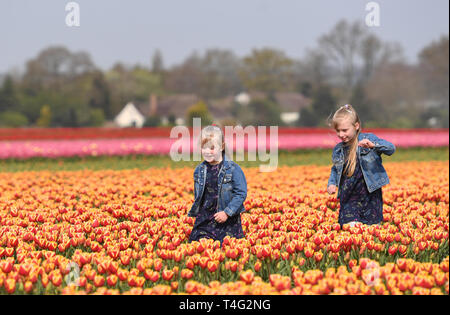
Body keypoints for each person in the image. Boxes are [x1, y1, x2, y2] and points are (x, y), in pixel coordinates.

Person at [327, 104, 396, 227]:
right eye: (338, 131)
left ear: (356, 126)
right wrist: (332, 183)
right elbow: (335, 169)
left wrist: (373, 145)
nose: (341, 134)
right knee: (351, 226)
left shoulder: (368, 139)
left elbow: (391, 149)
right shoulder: (338, 149)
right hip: (349, 193)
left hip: (369, 192)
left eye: (344, 130)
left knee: (372, 226)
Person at [187, 125, 246, 243]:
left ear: (222, 146)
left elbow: (241, 193)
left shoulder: (233, 169)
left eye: (212, 148)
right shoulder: (199, 170)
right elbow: (198, 196)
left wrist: (227, 212)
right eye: (204, 147)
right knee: (199, 247)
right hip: (205, 219)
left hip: (227, 221)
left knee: (226, 247)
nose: (207, 151)